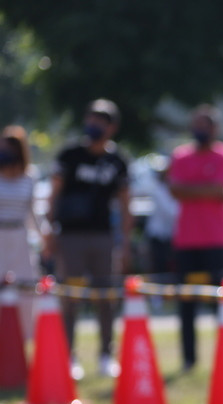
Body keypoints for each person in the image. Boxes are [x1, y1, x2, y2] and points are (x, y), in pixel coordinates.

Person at [44, 99, 133, 379]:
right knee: (69, 296)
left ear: (112, 127)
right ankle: (68, 356)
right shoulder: (70, 155)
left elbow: (125, 205)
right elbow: (53, 196)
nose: (94, 125)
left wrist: (126, 243)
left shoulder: (117, 161)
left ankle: (107, 354)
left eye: (101, 121)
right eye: (91, 119)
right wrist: (50, 231)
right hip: (70, 237)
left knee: (104, 297)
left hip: (102, 236)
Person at [168, 105, 223, 372]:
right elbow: (175, 190)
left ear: (215, 128)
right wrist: (206, 188)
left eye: (205, 125)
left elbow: (222, 191)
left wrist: (191, 189)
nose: (200, 130)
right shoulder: (180, 155)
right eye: (196, 124)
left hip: (217, 240)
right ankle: (189, 359)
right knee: (186, 304)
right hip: (186, 241)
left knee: (222, 303)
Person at [0, 125, 45, 341]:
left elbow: (32, 213)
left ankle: (24, 337)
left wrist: (45, 237)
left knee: (26, 289)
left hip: (19, 238)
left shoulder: (30, 177)